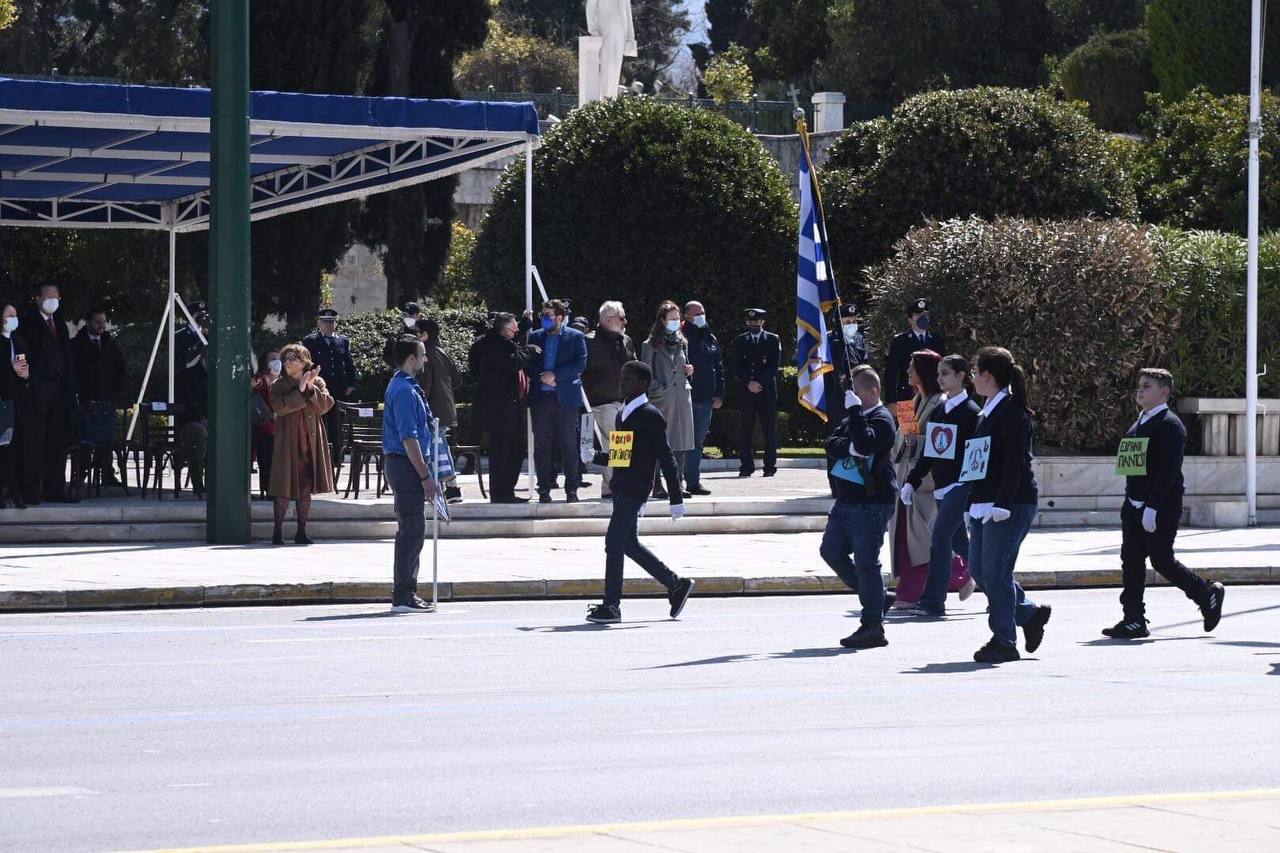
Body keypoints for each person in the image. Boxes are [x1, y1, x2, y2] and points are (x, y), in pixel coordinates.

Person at [1103, 368, 1225, 639]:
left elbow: (1168, 471)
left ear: (1164, 392)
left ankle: (1207, 595)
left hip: (1160, 507)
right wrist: (1132, 501)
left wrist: (1152, 507)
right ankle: (1133, 618)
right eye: (1139, 385)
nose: (1139, 390)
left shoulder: (1170, 425)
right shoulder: (1139, 423)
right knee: (1131, 561)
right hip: (1134, 506)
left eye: (1146, 386)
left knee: (1161, 560)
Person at [585, 359, 695, 624]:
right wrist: (594, 456)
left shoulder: (649, 415)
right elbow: (622, 456)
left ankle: (612, 606)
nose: (621, 383)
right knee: (628, 544)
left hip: (635, 488)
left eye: (627, 379)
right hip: (622, 485)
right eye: (621, 378)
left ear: (642, 384)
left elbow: (666, 456)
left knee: (613, 541)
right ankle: (676, 584)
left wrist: (675, 497)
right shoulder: (625, 412)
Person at [966, 346, 1052, 663]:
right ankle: (1028, 614)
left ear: (987, 376)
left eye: (975, 372)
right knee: (980, 570)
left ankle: (1004, 640)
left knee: (996, 573)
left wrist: (1001, 504)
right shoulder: (987, 411)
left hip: (1010, 503)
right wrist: (972, 500)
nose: (973, 378)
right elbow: (979, 462)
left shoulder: (1013, 413)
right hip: (984, 503)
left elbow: (1015, 464)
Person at [820, 366, 898, 649]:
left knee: (866, 563)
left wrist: (854, 420)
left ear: (872, 392)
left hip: (872, 502)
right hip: (846, 499)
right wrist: (850, 443)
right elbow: (831, 442)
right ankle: (877, 598)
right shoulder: (856, 417)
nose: (850, 398)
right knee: (830, 551)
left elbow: (865, 444)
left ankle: (872, 626)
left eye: (857, 393)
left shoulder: (881, 418)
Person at [902, 354, 981, 616]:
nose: (940, 379)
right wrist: (912, 482)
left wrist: (972, 496)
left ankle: (933, 602)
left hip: (960, 486)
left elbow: (976, 456)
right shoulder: (940, 409)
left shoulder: (971, 412)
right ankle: (1007, 592)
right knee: (964, 545)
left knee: (940, 539)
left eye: (946, 373)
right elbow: (932, 453)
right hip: (941, 485)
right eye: (938, 374)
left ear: (961, 376)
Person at [383, 336, 440, 612]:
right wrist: (424, 476)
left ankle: (406, 591)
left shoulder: (406, 386)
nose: (426, 359)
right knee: (412, 529)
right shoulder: (405, 390)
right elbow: (409, 438)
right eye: (423, 354)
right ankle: (404, 594)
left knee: (412, 527)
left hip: (406, 464)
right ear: (411, 359)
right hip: (405, 465)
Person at [887, 350, 946, 609]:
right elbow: (901, 441)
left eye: (912, 367)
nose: (908, 371)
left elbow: (939, 442)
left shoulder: (939, 403)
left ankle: (959, 571)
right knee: (906, 536)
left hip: (926, 481)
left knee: (922, 536)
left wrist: (915, 441)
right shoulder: (915, 401)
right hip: (906, 478)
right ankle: (909, 588)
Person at [268, 343, 336, 546]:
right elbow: (279, 407)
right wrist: (299, 389)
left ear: (304, 362)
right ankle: (277, 531)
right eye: (286, 358)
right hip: (287, 444)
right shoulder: (278, 385)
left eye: (293, 359)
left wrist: (310, 387)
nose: (288, 362)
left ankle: (301, 532)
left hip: (309, 442)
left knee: (306, 488)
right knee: (283, 488)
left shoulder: (318, 381)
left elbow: (325, 405)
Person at [525, 299, 587, 503]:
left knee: (568, 445)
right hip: (541, 399)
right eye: (542, 315)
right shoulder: (534, 336)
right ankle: (544, 489)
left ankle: (572, 489)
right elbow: (527, 362)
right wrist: (542, 375)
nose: (544, 319)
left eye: (548, 315)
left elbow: (580, 363)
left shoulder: (575, 337)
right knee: (542, 446)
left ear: (560, 317)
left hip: (566, 399)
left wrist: (556, 375)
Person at [21, 284, 77, 504]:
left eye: (55, 297)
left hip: (60, 394)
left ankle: (56, 488)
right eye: (47, 297)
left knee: (57, 442)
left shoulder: (60, 324)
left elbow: (66, 357)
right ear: (38, 298)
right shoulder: (28, 323)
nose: (51, 300)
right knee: (34, 443)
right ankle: (32, 490)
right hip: (37, 393)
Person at [469, 313, 533, 504]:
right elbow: (513, 362)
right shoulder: (494, 346)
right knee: (505, 450)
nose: (517, 332)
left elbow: (512, 348)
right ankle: (501, 493)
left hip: (500, 405)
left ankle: (505, 491)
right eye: (514, 329)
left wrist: (525, 324)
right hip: (500, 406)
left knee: (511, 449)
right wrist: (529, 350)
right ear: (505, 331)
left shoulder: (488, 343)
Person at [641, 301, 695, 500]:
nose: (675, 321)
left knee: (681, 443)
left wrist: (688, 371)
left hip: (681, 397)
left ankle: (678, 484)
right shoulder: (650, 344)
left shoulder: (683, 341)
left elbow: (683, 367)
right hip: (662, 400)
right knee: (660, 443)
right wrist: (658, 390)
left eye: (677, 318)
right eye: (671, 318)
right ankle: (657, 485)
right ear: (662, 321)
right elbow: (646, 372)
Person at [583, 301, 635, 499]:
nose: (625, 322)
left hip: (625, 401)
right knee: (613, 443)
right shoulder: (588, 341)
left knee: (622, 443)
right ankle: (615, 485)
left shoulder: (626, 340)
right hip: (602, 401)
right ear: (608, 319)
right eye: (622, 318)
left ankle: (614, 485)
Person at [71, 306, 128, 486]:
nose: (101, 326)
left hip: (106, 400)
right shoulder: (76, 345)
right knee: (85, 439)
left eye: (103, 322)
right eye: (97, 322)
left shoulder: (110, 344)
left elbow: (120, 369)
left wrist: (115, 390)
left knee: (106, 440)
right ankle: (80, 474)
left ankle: (107, 473)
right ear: (88, 322)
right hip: (86, 400)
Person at [418, 317, 464, 504]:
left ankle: (451, 489)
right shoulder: (443, 352)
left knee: (439, 449)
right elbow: (458, 380)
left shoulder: (426, 354)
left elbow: (425, 386)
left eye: (417, 333)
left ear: (425, 335)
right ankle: (448, 489)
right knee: (441, 448)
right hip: (446, 409)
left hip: (433, 410)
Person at [303, 308, 357, 466]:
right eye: (325, 322)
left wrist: (351, 384)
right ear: (319, 323)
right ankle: (319, 457)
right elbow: (308, 363)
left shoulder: (342, 341)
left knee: (337, 422)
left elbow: (349, 363)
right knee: (320, 420)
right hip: (319, 387)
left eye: (331, 322)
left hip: (338, 388)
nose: (329, 325)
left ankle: (336, 458)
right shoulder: (311, 341)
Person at [733, 307, 781, 477]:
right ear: (747, 322)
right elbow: (737, 366)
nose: (754, 324)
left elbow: (773, 366)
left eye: (757, 321)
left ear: (763, 322)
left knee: (769, 430)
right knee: (746, 429)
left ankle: (769, 467)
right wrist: (749, 382)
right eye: (751, 322)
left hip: (766, 391)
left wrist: (759, 383)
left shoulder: (773, 339)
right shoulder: (740, 340)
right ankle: (746, 466)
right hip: (747, 391)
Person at [682, 300, 724, 496]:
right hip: (685, 397)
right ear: (687, 316)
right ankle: (677, 480)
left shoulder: (710, 337)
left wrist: (719, 394)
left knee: (698, 442)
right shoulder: (680, 337)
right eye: (697, 313)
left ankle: (693, 481)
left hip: (706, 398)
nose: (701, 316)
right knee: (682, 441)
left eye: (703, 312)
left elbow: (718, 368)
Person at [885, 298, 945, 407]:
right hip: (906, 397)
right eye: (918, 314)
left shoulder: (937, 339)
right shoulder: (900, 341)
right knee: (907, 424)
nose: (923, 317)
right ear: (910, 319)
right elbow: (891, 372)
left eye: (925, 314)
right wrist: (891, 401)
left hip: (932, 395)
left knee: (928, 423)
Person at [0, 302, 30, 509]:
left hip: (16, 402)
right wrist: (10, 369)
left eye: (15, 314)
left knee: (15, 446)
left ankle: (14, 488)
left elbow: (26, 370)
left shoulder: (18, 342)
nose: (13, 318)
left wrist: (25, 374)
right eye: (9, 315)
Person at [824, 302, 870, 428]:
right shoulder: (830, 340)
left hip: (859, 395)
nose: (852, 325)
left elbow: (865, 364)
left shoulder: (859, 339)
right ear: (839, 322)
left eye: (854, 321)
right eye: (848, 322)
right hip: (838, 397)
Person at [175, 347, 209, 498]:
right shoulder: (188, 376)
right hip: (190, 423)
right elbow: (186, 404)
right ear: (203, 357)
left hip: (214, 422)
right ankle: (198, 483)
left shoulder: (223, 377)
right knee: (199, 432)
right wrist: (201, 418)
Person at [251, 350, 281, 498]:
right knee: (269, 439)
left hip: (282, 424)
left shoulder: (284, 382)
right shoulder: (261, 380)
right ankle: (269, 487)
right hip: (264, 425)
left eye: (278, 359)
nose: (277, 362)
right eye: (273, 359)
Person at [383, 301, 423, 367]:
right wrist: (402, 363)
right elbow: (387, 355)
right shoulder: (398, 334)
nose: (407, 317)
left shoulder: (425, 332)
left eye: (410, 315)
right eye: (405, 315)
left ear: (417, 316)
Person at [173, 300, 209, 374]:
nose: (202, 318)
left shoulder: (208, 335)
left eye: (204, 315)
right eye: (199, 315)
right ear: (190, 316)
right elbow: (176, 365)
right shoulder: (178, 336)